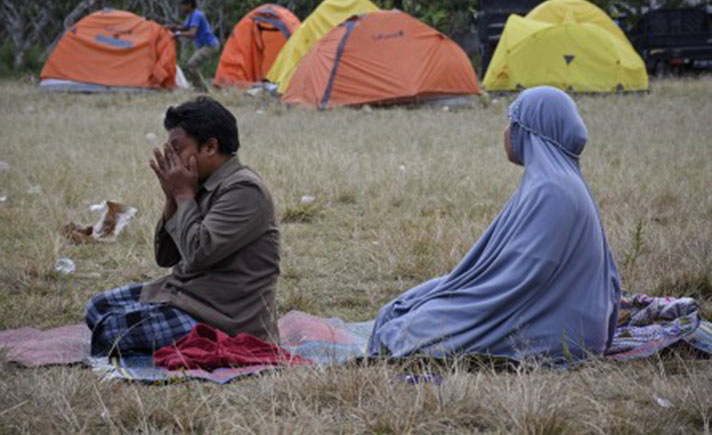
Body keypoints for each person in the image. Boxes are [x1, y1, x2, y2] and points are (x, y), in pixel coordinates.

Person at [368, 86, 622, 363]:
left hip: (561, 329)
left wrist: (463, 300)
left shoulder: (552, 189)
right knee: (406, 306)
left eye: (513, 122)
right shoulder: (553, 182)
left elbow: (522, 276)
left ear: (532, 130)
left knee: (410, 328)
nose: (506, 131)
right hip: (559, 312)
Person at [85, 97, 280, 356]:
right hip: (187, 294)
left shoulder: (244, 189)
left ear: (210, 146)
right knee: (96, 307)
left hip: (223, 317)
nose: (172, 160)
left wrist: (183, 195)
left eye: (177, 150)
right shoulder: (198, 182)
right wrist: (172, 198)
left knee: (109, 331)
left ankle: (197, 341)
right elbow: (165, 257)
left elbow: (198, 254)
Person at [169, 0, 220, 92]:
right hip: (206, 45)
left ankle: (202, 88)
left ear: (189, 5)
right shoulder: (193, 15)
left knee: (191, 65)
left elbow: (192, 33)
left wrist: (178, 34)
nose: (182, 8)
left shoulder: (197, 15)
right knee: (192, 66)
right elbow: (185, 27)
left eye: (183, 5)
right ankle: (199, 87)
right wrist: (172, 27)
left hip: (209, 45)